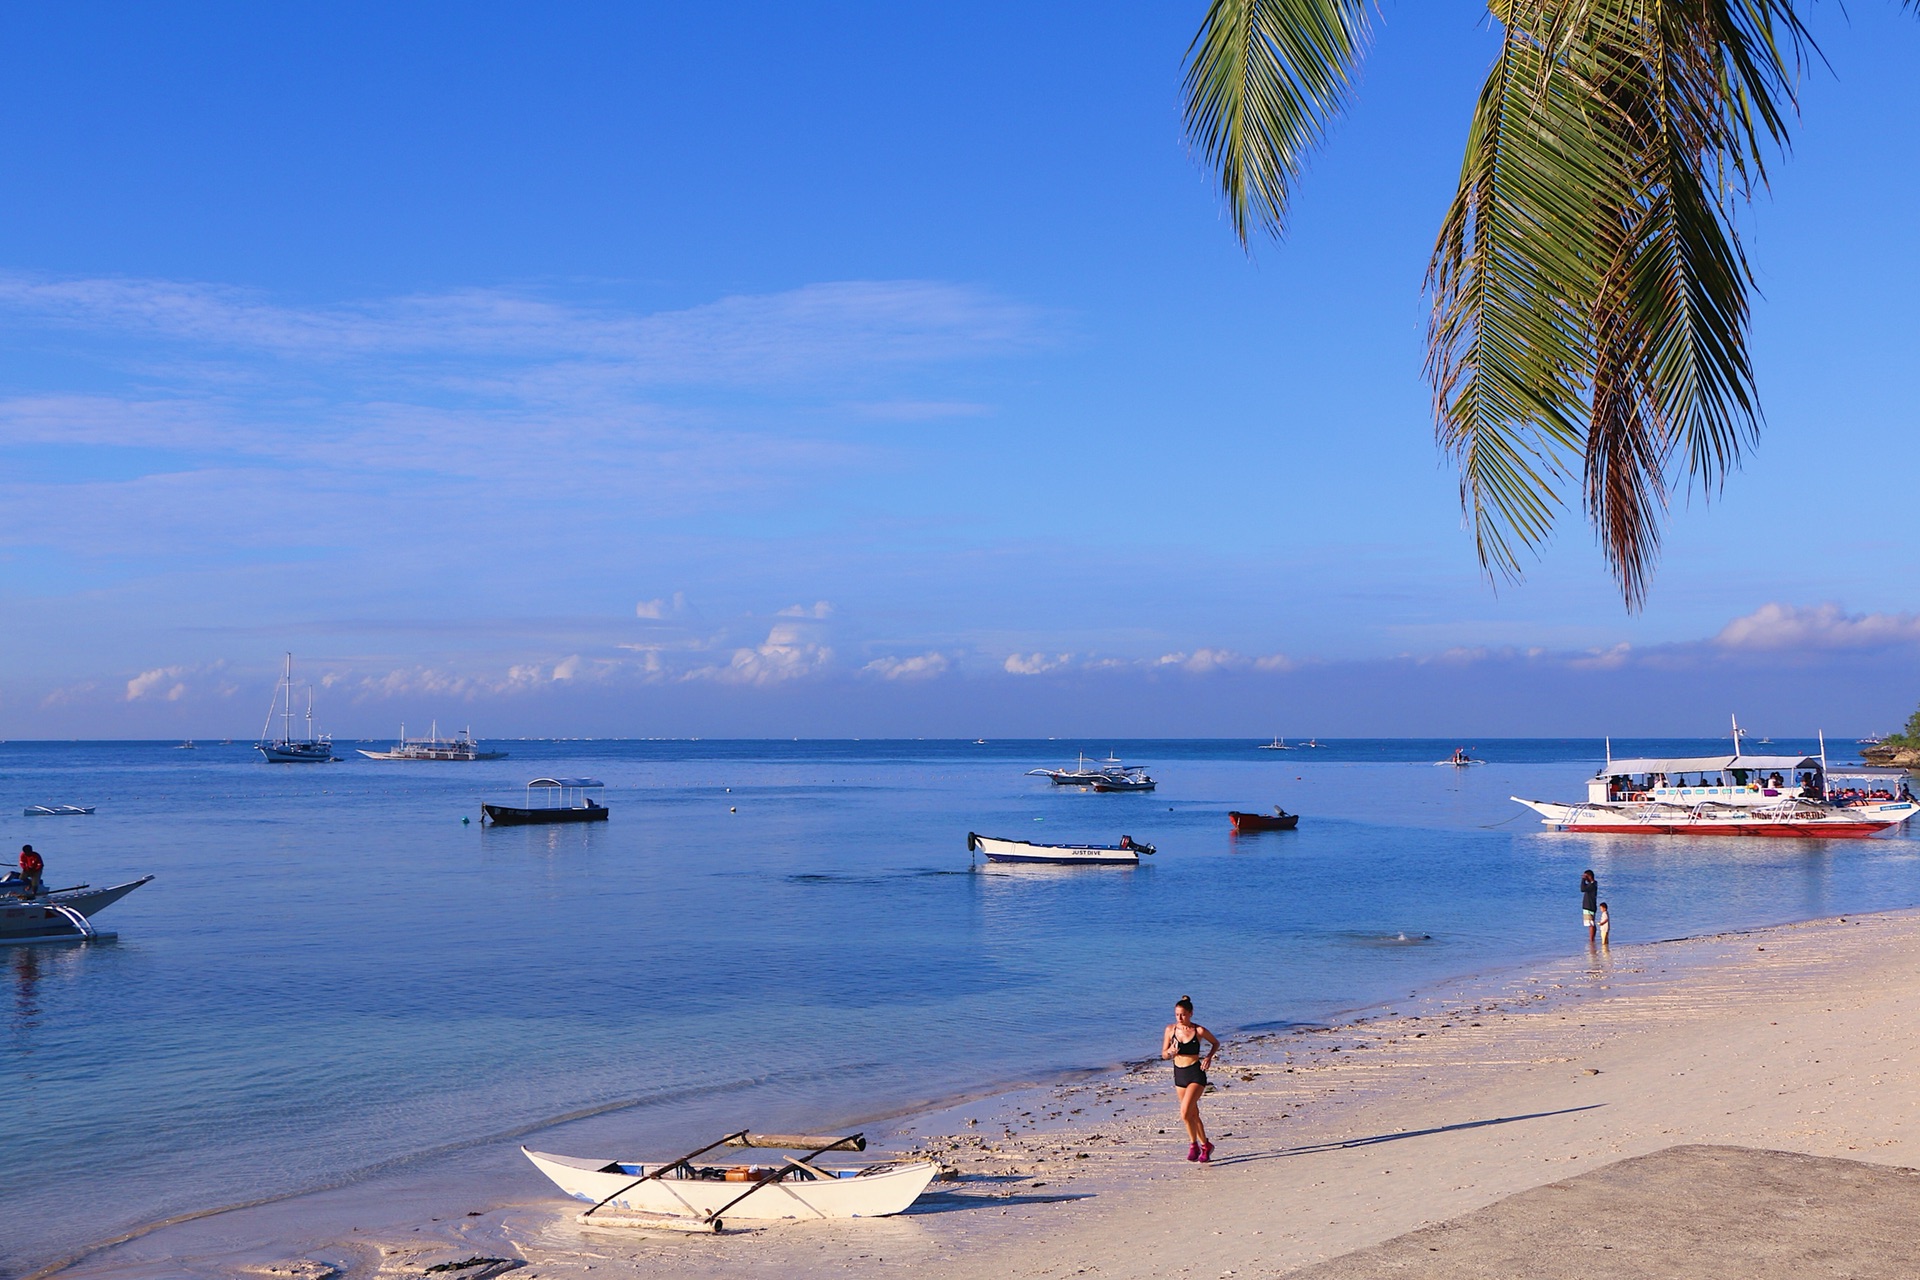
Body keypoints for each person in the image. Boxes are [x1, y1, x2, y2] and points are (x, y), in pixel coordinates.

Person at [1162, 996, 1220, 1162]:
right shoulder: (1170, 1030)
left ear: (1191, 1014)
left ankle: (1193, 1145)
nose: (1179, 1018)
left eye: (1183, 1015)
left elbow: (1216, 1043)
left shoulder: (1199, 1031)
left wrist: (1208, 1057)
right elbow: (1163, 1054)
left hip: (1195, 1073)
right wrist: (1170, 1053)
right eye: (1177, 1015)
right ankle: (1205, 1146)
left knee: (1184, 1112)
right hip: (1179, 1075)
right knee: (1192, 1114)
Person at [1580, 869, 1599, 943]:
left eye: (1586, 876)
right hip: (1591, 906)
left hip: (1589, 906)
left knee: (1590, 924)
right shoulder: (1593, 884)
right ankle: (1592, 939)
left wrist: (1583, 880)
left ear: (1589, 876)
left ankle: (1591, 940)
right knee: (1591, 923)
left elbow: (1582, 889)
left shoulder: (1592, 885)